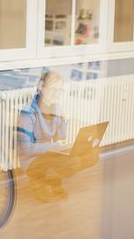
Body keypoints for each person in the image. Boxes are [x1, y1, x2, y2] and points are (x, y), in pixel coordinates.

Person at [17, 71, 99, 202]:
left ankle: (53, 181)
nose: (56, 94)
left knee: (90, 156)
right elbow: (26, 149)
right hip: (31, 159)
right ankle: (39, 182)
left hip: (49, 152)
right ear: (41, 87)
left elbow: (60, 137)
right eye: (53, 89)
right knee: (69, 162)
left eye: (59, 90)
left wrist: (63, 122)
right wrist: (54, 146)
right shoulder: (28, 113)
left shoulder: (57, 108)